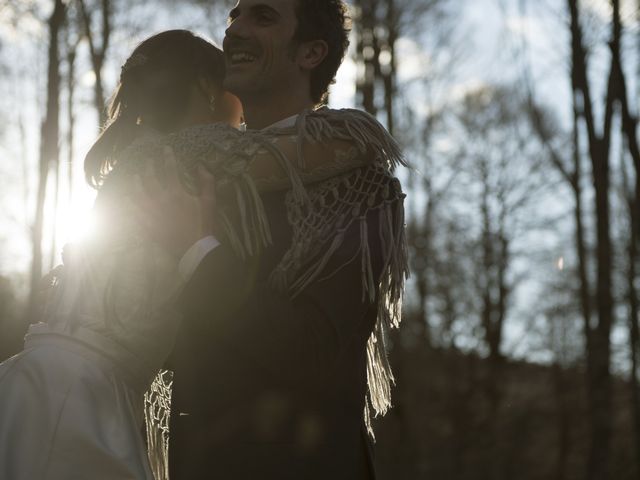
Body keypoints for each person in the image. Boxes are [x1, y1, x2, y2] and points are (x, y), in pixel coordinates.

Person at [133, 1, 408, 479]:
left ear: (310, 52)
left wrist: (197, 253)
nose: (235, 30)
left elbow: (313, 351)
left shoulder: (356, 180)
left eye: (262, 17)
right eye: (234, 17)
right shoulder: (194, 176)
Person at [0, 30, 242, 480]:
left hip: (49, 385)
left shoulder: (137, 156)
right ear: (209, 89)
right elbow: (293, 151)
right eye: (235, 86)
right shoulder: (197, 153)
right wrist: (350, 129)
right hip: (77, 398)